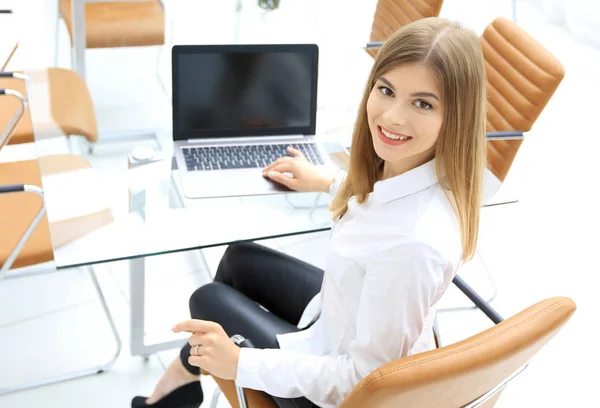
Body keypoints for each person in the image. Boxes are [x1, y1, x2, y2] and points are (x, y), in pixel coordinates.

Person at [132, 16, 487, 408]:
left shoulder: (414, 246)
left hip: (334, 392)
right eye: (386, 90)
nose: (392, 117)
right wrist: (329, 181)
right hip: (336, 319)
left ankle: (179, 384)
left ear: (456, 116)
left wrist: (241, 362)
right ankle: (184, 379)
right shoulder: (417, 170)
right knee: (238, 258)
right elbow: (381, 208)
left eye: (422, 103)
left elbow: (363, 381)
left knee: (208, 298)